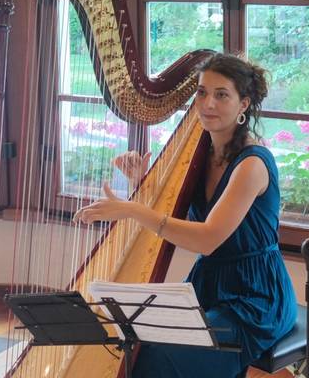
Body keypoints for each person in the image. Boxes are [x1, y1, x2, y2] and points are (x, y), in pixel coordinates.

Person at [75, 53, 297, 378]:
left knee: (161, 359)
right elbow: (171, 212)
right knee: (135, 345)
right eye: (202, 92)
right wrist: (141, 183)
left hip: (254, 296)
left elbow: (207, 239)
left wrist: (134, 209)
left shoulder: (252, 165)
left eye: (221, 95)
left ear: (244, 104)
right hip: (207, 284)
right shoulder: (198, 155)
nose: (207, 103)